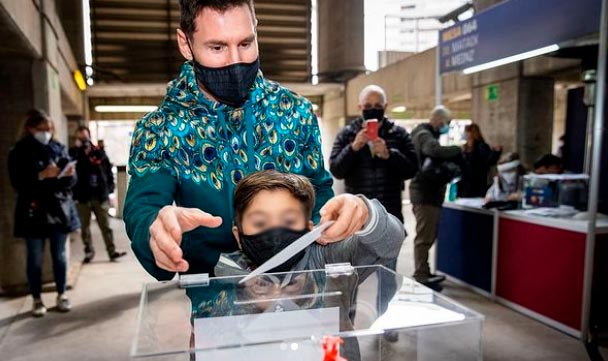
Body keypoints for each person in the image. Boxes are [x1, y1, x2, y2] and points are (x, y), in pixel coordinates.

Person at [124, 0, 368, 281]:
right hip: (215, 295)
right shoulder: (159, 130)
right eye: (217, 47)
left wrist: (335, 218)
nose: (235, 61)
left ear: (256, 32)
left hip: (301, 284)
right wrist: (154, 232)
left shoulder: (295, 110)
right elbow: (143, 209)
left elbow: (318, 188)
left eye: (245, 43)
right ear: (185, 44)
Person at [214, 170, 405, 276]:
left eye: (289, 220)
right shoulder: (226, 274)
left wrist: (365, 213)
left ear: (309, 228)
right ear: (238, 235)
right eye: (260, 222)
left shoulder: (328, 261)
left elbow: (391, 242)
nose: (274, 232)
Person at [7, 110, 80, 317]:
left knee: (60, 256)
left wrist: (69, 175)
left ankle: (62, 294)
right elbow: (16, 182)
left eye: (49, 129)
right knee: (35, 258)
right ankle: (37, 299)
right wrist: (40, 175)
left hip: (59, 210)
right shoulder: (19, 151)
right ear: (30, 128)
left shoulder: (58, 147)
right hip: (33, 212)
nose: (46, 133)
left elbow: (70, 183)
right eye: (42, 130)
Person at [329, 85, 418, 224]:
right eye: (368, 105)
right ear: (360, 107)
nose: (373, 109)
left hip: (390, 212)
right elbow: (336, 170)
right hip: (358, 213)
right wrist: (353, 148)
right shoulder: (347, 134)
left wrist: (389, 155)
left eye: (377, 105)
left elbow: (412, 169)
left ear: (385, 106)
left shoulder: (399, 134)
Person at [409, 105, 462, 291]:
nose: (447, 126)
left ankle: (425, 271)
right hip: (424, 193)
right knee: (424, 236)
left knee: (428, 235)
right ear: (439, 121)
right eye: (447, 123)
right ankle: (421, 275)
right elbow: (434, 151)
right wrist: (457, 149)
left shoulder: (424, 133)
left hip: (428, 193)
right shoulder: (424, 135)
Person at [69, 126, 126, 263]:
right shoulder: (74, 153)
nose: (84, 140)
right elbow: (72, 169)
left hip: (99, 195)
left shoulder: (99, 152)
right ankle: (89, 251)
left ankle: (112, 251)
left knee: (105, 225)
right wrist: (79, 151)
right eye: (81, 137)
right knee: (85, 227)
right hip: (82, 196)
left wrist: (110, 189)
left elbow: (107, 170)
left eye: (85, 136)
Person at [458, 123, 502, 198]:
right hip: (466, 182)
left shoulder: (481, 146)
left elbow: (489, 162)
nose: (466, 134)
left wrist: (496, 153)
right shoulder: (465, 147)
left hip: (476, 182)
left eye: (467, 132)